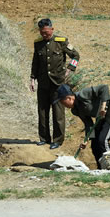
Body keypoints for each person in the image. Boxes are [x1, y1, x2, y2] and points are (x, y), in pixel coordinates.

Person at [30, 18, 80, 149]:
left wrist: (70, 69)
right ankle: (44, 138)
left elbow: (75, 56)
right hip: (43, 83)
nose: (44, 35)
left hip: (58, 83)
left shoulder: (61, 42)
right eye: (42, 33)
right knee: (42, 111)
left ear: (52, 29)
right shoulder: (38, 43)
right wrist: (32, 78)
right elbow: (36, 61)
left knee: (58, 113)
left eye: (46, 32)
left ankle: (57, 140)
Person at [56, 83, 110, 167]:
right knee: (94, 144)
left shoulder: (83, 94)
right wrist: (86, 139)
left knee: (102, 140)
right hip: (100, 117)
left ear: (69, 98)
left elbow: (104, 88)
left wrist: (103, 106)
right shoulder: (75, 110)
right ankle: (101, 168)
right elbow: (88, 123)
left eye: (62, 102)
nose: (63, 105)